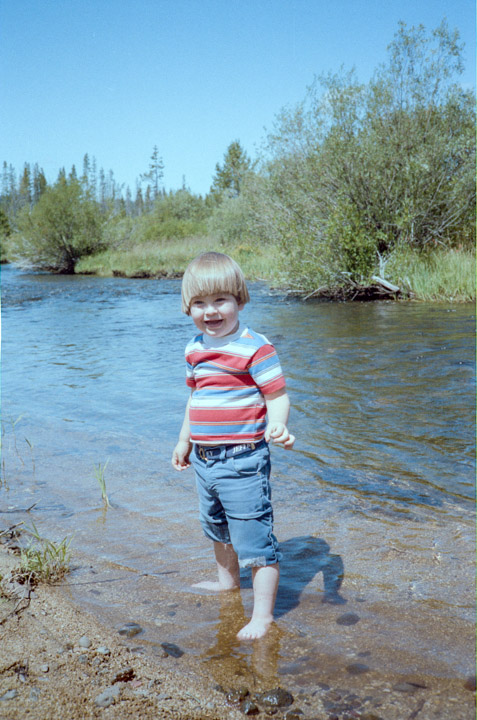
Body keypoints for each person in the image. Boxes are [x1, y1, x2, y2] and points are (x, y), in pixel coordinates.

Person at [172, 251, 295, 640]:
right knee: (216, 527)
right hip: (205, 461)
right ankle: (227, 584)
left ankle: (262, 616)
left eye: (221, 300)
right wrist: (183, 440)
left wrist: (278, 425)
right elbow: (195, 401)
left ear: (240, 300)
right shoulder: (194, 348)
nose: (211, 310)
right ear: (188, 308)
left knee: (255, 539)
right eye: (200, 303)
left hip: (243, 460)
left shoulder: (255, 347)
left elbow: (277, 395)